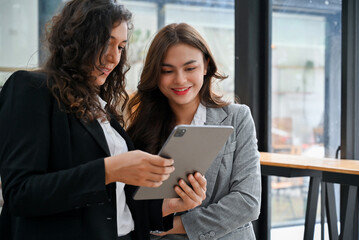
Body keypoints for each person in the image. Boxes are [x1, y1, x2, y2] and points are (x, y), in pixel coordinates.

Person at [0, 2, 207, 240]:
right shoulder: (31, 89)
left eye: (120, 47)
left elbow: (117, 207)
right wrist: (110, 170)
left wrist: (169, 205)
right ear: (77, 38)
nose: (114, 57)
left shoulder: (100, 107)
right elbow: (20, 193)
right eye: (106, 42)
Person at [126, 23, 261, 240]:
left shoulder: (237, 118)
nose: (180, 80)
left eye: (190, 68)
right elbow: (131, 206)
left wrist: (168, 226)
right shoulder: (141, 131)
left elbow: (247, 203)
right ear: (155, 74)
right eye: (167, 71)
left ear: (206, 66)